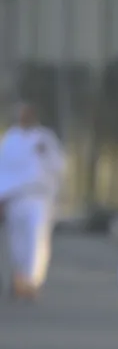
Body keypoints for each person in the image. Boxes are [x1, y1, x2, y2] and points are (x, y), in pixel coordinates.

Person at [0, 101, 65, 300]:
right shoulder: (10, 139)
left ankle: (33, 280)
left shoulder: (44, 138)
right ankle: (20, 277)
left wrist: (46, 153)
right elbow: (4, 170)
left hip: (38, 197)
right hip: (15, 198)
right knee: (17, 241)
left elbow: (59, 165)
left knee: (36, 239)